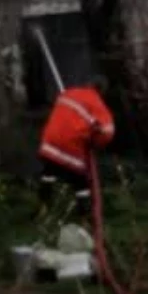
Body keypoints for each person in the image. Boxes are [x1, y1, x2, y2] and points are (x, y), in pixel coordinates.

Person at [37, 82, 115, 218]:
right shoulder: (97, 104)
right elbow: (107, 131)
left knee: (48, 173)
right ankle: (85, 215)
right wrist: (94, 142)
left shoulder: (68, 93)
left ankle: (43, 206)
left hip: (50, 141)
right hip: (71, 146)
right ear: (102, 92)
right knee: (81, 182)